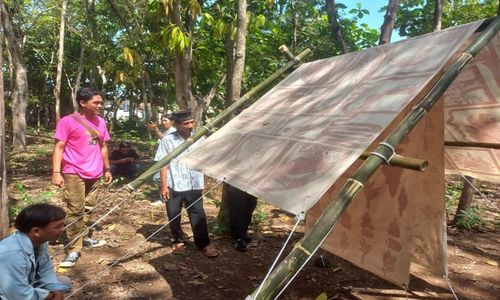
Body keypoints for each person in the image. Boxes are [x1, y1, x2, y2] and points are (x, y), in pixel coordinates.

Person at [52, 87, 112, 268]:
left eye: (101, 102)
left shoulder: (101, 122)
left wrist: (107, 169)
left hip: (95, 172)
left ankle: (83, 236)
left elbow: (103, 147)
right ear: (83, 103)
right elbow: (59, 147)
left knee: (89, 208)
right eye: (96, 102)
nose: (100, 106)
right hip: (73, 171)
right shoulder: (67, 121)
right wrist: (56, 172)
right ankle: (74, 249)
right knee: (76, 210)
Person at [153, 109, 218, 258]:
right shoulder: (167, 140)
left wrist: (203, 181)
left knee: (198, 213)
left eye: (191, 122)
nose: (190, 126)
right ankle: (178, 240)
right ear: (176, 124)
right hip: (174, 183)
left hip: (194, 183)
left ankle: (204, 243)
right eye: (186, 123)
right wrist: (163, 185)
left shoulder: (199, 138)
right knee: (174, 214)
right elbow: (164, 164)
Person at [0, 204, 72, 300]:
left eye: (63, 225)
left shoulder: (40, 242)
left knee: (64, 282)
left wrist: (55, 290)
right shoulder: (12, 254)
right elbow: (18, 295)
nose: (62, 230)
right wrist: (47, 295)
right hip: (12, 294)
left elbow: (46, 270)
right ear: (36, 231)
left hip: (24, 286)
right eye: (57, 227)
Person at [226, 184, 257, 252]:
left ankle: (243, 232)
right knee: (237, 206)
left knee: (250, 205)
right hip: (236, 178)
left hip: (254, 179)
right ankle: (238, 237)